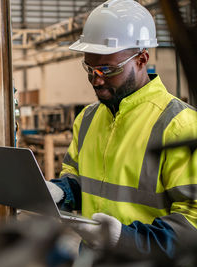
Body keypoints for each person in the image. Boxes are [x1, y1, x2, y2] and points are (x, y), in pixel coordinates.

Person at [46, 0, 197, 258]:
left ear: (142, 59)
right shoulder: (88, 119)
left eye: (108, 69)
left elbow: (193, 221)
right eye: (90, 67)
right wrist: (63, 191)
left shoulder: (179, 125)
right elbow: (80, 177)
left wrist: (125, 239)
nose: (97, 78)